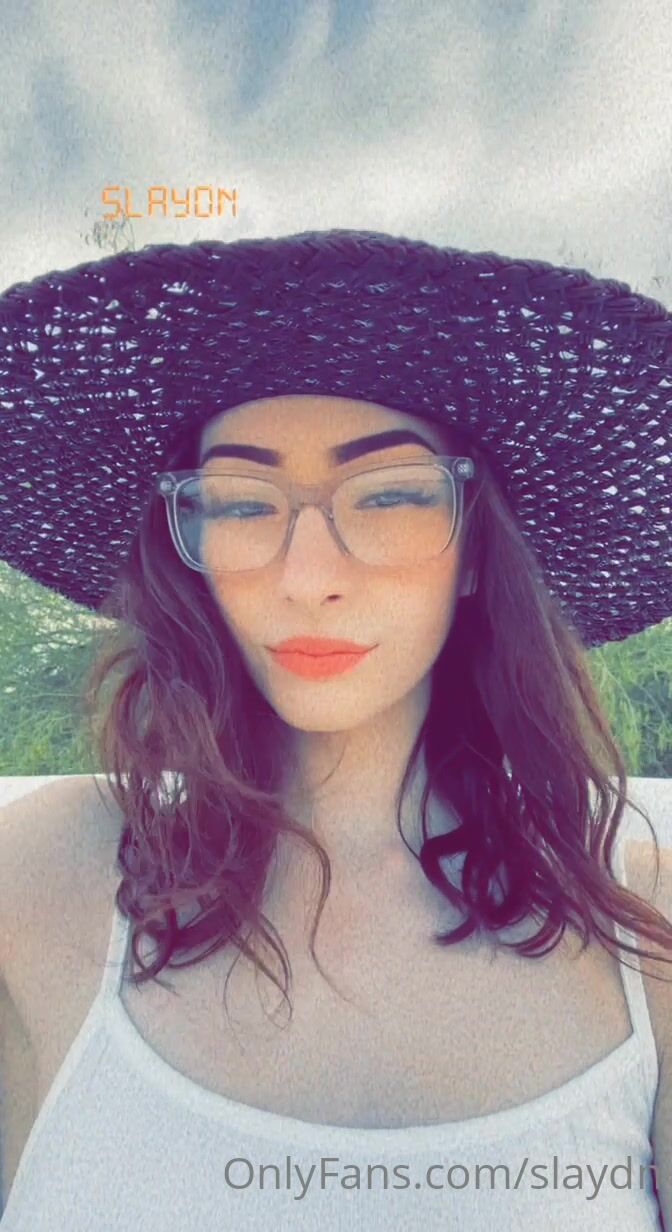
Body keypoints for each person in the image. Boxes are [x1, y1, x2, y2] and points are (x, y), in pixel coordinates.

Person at [0, 228, 670, 1230]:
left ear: (476, 548)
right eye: (240, 501)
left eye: (391, 493)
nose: (307, 576)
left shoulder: (646, 929)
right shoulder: (39, 880)